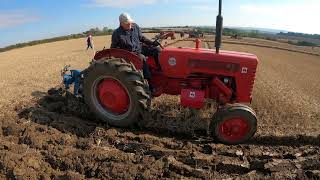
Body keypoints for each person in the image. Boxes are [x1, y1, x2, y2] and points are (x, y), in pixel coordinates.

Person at [111, 13, 161, 82]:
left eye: (130, 22)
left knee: (157, 50)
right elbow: (113, 49)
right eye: (127, 23)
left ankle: (160, 70)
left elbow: (142, 38)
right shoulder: (117, 33)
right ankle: (148, 81)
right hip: (130, 54)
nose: (129, 24)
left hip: (139, 48)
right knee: (142, 58)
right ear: (121, 23)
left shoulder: (135, 27)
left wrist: (152, 42)